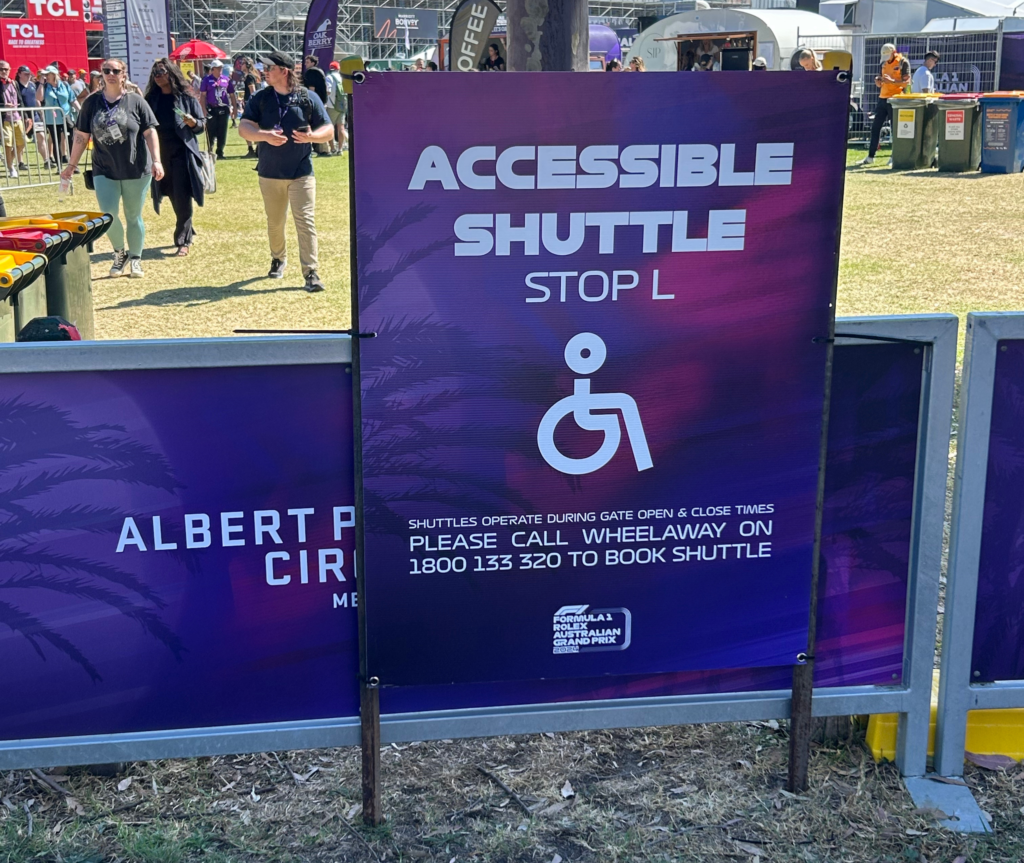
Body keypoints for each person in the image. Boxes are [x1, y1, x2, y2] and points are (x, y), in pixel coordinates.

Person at [239, 49, 332, 292]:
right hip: (270, 172)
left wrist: (313, 136)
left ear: (284, 71)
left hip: (302, 172)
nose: (264, 71)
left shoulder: (308, 97)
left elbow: (328, 129)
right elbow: (244, 127)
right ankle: (278, 258)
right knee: (276, 222)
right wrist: (263, 136)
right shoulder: (260, 98)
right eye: (264, 67)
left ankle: (311, 272)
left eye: (269, 68)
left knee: (305, 221)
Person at [61, 57, 163, 279]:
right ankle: (120, 253)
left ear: (123, 74)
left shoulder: (136, 101)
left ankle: (135, 258)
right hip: (104, 169)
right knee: (108, 214)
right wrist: (71, 165)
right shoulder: (92, 102)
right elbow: (81, 136)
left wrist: (157, 160)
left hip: (136, 169)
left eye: (115, 70)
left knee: (133, 215)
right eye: (106, 70)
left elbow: (150, 131)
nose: (110, 74)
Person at [144, 59, 205, 256]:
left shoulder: (186, 98)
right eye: (155, 74)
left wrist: (194, 123)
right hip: (160, 155)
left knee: (182, 194)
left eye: (161, 72)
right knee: (170, 192)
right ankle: (186, 225)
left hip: (182, 154)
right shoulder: (151, 99)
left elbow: (201, 126)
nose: (158, 76)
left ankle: (183, 240)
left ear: (171, 73)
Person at [855, 43, 910, 167]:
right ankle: (870, 157)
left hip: (896, 99)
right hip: (882, 98)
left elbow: (906, 83)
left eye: (888, 56)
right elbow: (881, 81)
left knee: (895, 129)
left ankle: (894, 156)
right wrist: (878, 82)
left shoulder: (902, 62)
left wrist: (892, 81)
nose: (886, 60)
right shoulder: (883, 64)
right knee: (875, 128)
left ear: (893, 52)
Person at [38, 67, 74, 168]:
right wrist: (41, 83)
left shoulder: (65, 85)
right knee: (56, 140)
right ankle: (59, 166)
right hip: (52, 118)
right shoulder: (45, 86)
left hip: (66, 116)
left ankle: (73, 164)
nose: (45, 76)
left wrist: (81, 111)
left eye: (47, 74)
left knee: (71, 140)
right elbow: (39, 98)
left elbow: (72, 99)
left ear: (53, 74)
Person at [199, 58, 233, 159]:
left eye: (221, 68)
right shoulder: (206, 80)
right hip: (211, 109)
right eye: (218, 68)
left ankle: (220, 151)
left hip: (223, 108)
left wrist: (233, 107)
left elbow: (231, 94)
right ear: (212, 69)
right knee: (211, 130)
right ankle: (210, 150)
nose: (220, 70)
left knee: (222, 131)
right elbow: (203, 96)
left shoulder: (226, 79)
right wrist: (203, 110)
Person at [0, 61, 26, 177]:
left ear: (10, 70)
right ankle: (11, 167)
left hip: (17, 117)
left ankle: (8, 160)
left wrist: (25, 116)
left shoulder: (14, 83)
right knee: (8, 144)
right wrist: (3, 106)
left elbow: (20, 100)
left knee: (22, 143)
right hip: (4, 118)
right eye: (1, 69)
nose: (4, 71)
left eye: (6, 69)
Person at [16, 66, 42, 169]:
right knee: (21, 141)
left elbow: (37, 99)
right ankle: (20, 162)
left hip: (35, 115)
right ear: (19, 74)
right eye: (25, 74)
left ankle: (47, 160)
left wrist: (40, 112)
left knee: (41, 136)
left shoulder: (32, 85)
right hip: (22, 116)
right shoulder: (16, 85)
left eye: (29, 73)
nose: (28, 75)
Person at [324, 60, 347, 155]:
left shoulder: (329, 77)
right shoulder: (342, 78)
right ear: (338, 68)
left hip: (331, 106)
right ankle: (340, 149)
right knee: (341, 127)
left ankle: (332, 148)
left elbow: (328, 91)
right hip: (342, 105)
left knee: (330, 128)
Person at [240, 58, 260, 157]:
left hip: (251, 104)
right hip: (256, 104)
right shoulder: (255, 75)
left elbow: (252, 90)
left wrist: (251, 103)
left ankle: (251, 149)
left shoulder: (249, 77)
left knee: (245, 125)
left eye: (242, 63)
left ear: (247, 65)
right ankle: (257, 149)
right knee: (256, 126)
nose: (241, 65)